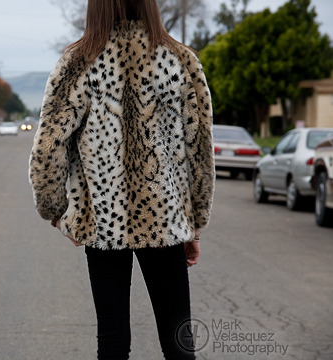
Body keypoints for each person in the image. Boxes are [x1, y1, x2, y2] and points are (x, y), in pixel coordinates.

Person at [29, 0, 214, 359]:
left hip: (103, 226)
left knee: (112, 341)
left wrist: (56, 212)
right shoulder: (182, 60)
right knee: (179, 342)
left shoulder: (77, 62)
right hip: (165, 224)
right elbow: (200, 150)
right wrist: (194, 223)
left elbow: (49, 144)